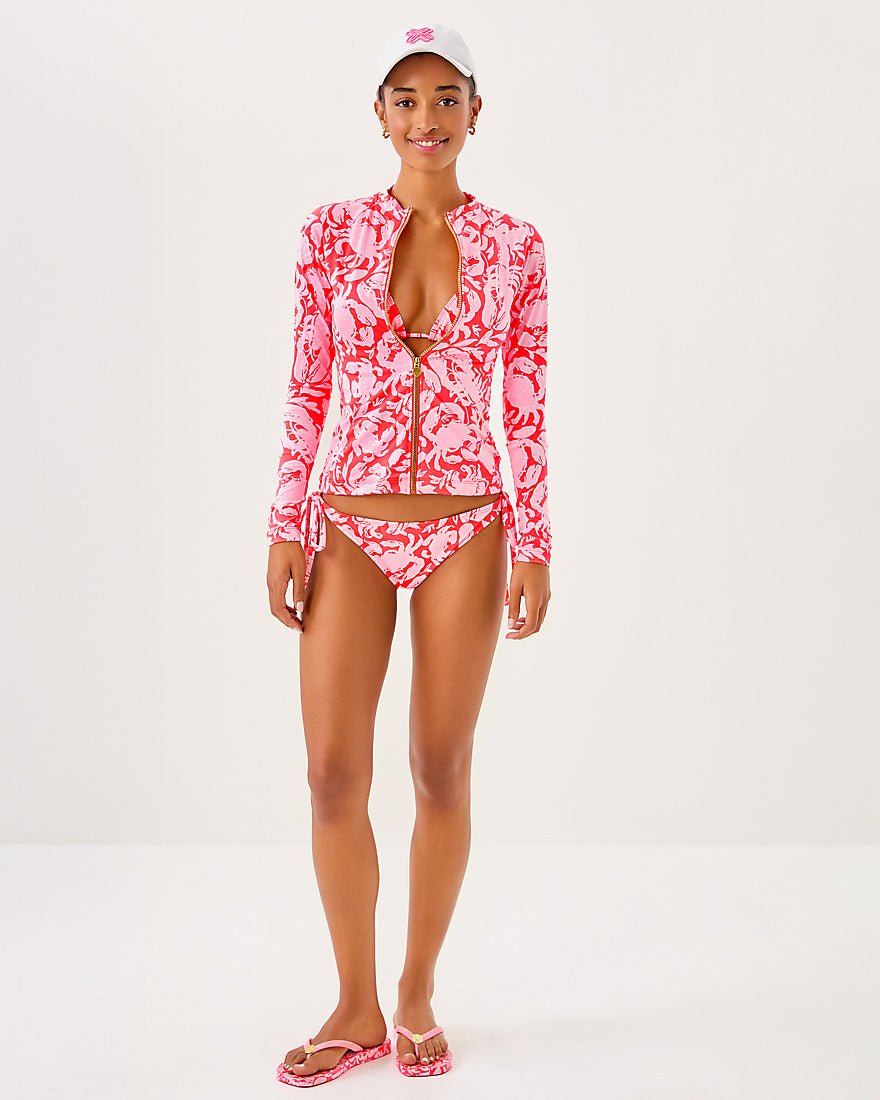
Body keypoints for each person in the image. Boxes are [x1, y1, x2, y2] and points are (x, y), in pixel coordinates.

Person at [267, 22, 553, 1087]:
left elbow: (525, 402)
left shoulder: (517, 245)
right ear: (378, 114)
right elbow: (308, 385)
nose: (425, 119)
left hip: (469, 525)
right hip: (347, 520)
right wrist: (284, 523)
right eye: (405, 99)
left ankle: (418, 990)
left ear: (476, 111)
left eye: (445, 98)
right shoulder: (330, 233)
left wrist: (534, 539)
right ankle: (355, 1004)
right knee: (331, 771)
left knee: (440, 764)